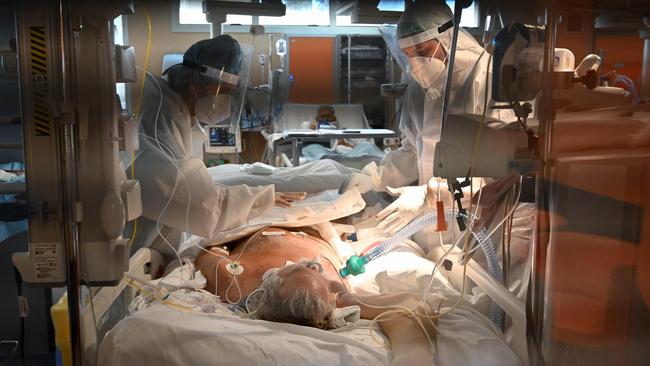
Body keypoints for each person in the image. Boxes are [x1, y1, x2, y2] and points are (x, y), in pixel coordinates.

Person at [342, 0, 517, 234]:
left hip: (481, 223)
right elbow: (412, 151)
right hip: (429, 220)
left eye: (422, 52)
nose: (415, 65)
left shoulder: (487, 80)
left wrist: (431, 194)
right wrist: (374, 177)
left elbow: (498, 175)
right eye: (407, 54)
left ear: (448, 38)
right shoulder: (418, 88)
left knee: (468, 269)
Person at [133, 35, 304, 241]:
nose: (227, 101)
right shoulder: (160, 116)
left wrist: (255, 198)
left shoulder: (183, 112)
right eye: (224, 90)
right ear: (194, 83)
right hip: (140, 245)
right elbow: (198, 205)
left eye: (231, 93)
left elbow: (194, 189)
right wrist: (259, 198)